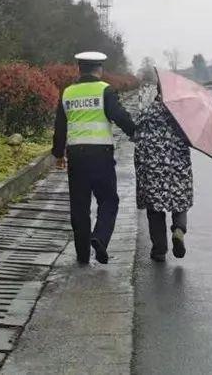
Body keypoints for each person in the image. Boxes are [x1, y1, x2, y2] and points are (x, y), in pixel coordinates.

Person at [52, 52, 136, 265]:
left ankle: (82, 256)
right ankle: (99, 237)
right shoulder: (104, 90)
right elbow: (119, 116)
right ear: (99, 70)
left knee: (79, 206)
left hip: (76, 156)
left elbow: (60, 126)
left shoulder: (67, 93)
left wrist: (58, 154)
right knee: (108, 200)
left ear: (79, 69)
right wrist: (135, 133)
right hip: (101, 156)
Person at [134, 86, 193, 262]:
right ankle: (178, 230)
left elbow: (137, 136)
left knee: (155, 209)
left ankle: (159, 250)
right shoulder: (182, 113)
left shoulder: (147, 111)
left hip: (152, 167)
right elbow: (191, 138)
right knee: (180, 201)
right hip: (177, 166)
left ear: (158, 92)